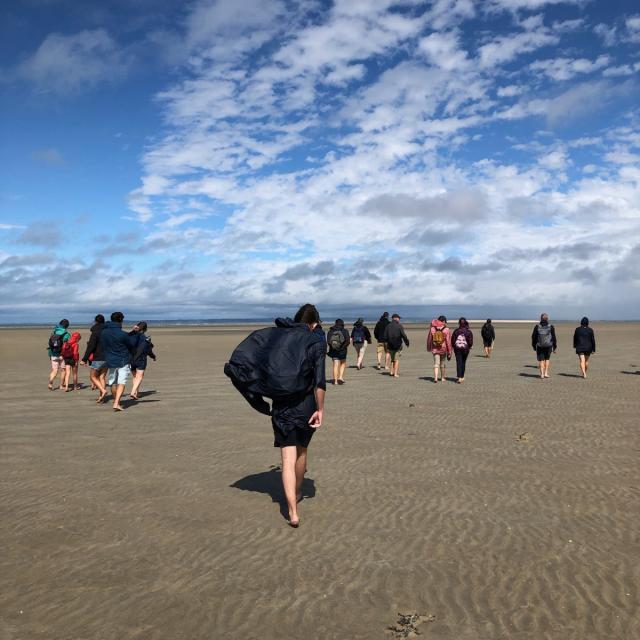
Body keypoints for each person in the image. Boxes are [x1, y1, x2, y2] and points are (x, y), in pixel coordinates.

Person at [271, 304, 325, 527]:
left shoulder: (280, 341)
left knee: (287, 459)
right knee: (302, 451)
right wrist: (320, 409)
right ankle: (298, 492)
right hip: (306, 404)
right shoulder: (316, 343)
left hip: (282, 403)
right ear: (313, 324)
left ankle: (293, 512)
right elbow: (320, 382)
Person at [100, 311, 137, 411]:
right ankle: (116, 402)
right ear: (121, 320)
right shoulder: (122, 334)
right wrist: (135, 333)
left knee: (112, 382)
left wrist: (133, 332)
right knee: (121, 382)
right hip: (123, 360)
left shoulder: (104, 332)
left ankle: (117, 401)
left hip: (110, 359)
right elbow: (131, 344)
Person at [80, 314, 107, 402]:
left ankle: (103, 391)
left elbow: (91, 346)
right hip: (108, 357)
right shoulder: (108, 331)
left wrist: (84, 359)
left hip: (98, 357)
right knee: (102, 377)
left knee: (93, 377)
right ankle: (101, 397)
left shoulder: (95, 332)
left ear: (95, 321)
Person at [129, 321, 157, 400]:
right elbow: (148, 351)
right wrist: (153, 356)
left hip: (131, 359)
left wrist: (132, 331)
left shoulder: (132, 336)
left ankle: (136, 393)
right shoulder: (146, 338)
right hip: (141, 359)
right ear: (145, 329)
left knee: (135, 376)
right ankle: (133, 392)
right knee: (140, 376)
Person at [427, 315, 452, 383]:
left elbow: (429, 339)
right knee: (442, 363)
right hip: (443, 348)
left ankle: (435, 378)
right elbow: (448, 341)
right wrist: (450, 351)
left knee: (436, 363)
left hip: (435, 348)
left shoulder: (432, 328)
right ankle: (442, 378)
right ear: (444, 321)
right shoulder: (446, 329)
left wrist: (429, 348)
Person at [531, 313, 557, 379]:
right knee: (547, 359)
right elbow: (554, 337)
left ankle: (542, 374)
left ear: (541, 318)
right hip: (549, 346)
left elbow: (533, 337)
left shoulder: (537, 326)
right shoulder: (551, 326)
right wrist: (554, 346)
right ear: (547, 319)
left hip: (540, 346)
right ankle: (546, 373)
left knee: (541, 360)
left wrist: (534, 345)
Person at [383, 313, 409, 378]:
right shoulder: (399, 326)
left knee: (392, 359)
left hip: (390, 345)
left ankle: (391, 371)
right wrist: (407, 342)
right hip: (398, 345)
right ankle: (395, 373)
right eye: (399, 318)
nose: (399, 319)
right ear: (395, 318)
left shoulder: (388, 326)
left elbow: (385, 337)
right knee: (396, 360)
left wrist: (386, 344)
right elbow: (403, 335)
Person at [47, 319, 70, 390]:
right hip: (62, 354)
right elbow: (68, 344)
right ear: (67, 326)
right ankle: (61, 385)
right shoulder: (67, 334)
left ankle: (50, 383)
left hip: (53, 353)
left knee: (54, 370)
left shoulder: (54, 332)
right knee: (63, 369)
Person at [326, 319, 349, 384]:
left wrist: (333, 347)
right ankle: (340, 377)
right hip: (343, 351)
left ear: (335, 323)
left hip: (333, 351)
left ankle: (335, 381)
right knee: (343, 363)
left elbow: (328, 341)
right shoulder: (345, 331)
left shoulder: (331, 331)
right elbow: (348, 341)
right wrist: (342, 348)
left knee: (335, 365)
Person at [451, 318, 473, 383]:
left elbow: (453, 340)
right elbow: (470, 342)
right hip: (465, 349)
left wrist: (453, 346)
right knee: (463, 362)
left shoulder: (456, 331)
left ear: (459, 323)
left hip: (457, 349)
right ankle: (462, 376)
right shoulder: (468, 331)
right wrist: (469, 346)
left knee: (458, 362)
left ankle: (459, 377)